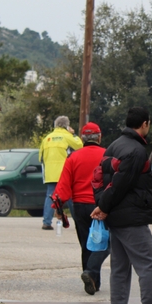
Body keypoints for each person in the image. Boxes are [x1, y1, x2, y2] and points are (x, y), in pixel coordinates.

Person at [91, 107, 152, 304]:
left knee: (120, 268)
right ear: (145, 124)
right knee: (149, 265)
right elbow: (120, 185)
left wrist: (102, 205)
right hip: (131, 215)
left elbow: (101, 178)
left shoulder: (113, 145)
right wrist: (103, 207)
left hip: (117, 217)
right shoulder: (137, 151)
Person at [52, 122, 109, 295]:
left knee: (86, 243)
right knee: (106, 243)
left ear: (82, 138)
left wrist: (58, 206)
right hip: (100, 204)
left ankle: (92, 281)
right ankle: (91, 273)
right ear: (99, 137)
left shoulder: (73, 158)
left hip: (79, 206)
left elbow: (63, 185)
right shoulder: (107, 155)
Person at [39, 116, 83, 230]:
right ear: (67, 126)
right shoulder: (67, 136)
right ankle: (78, 221)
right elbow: (80, 145)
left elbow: (40, 157)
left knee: (50, 196)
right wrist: (73, 134)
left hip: (50, 173)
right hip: (64, 172)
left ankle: (46, 222)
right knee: (70, 196)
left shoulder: (47, 138)